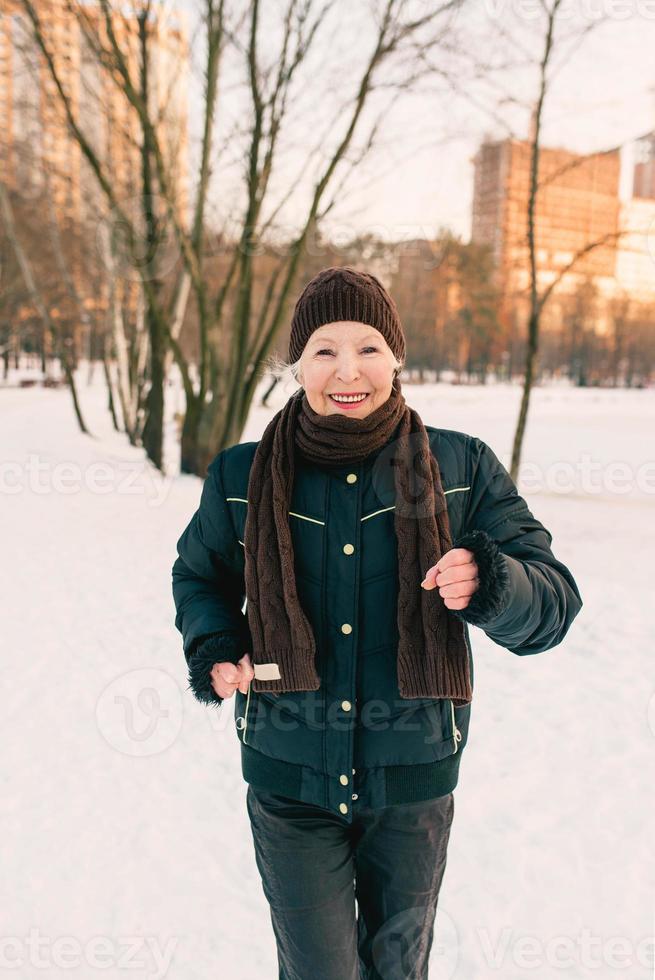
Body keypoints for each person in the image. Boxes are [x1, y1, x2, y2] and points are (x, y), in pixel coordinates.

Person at [172, 266, 583, 979]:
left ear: (394, 355)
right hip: (290, 775)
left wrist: (493, 581)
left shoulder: (462, 467)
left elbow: (552, 604)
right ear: (296, 365)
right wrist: (217, 643)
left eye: (366, 347)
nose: (346, 370)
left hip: (411, 779)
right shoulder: (241, 477)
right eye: (323, 351)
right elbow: (201, 575)